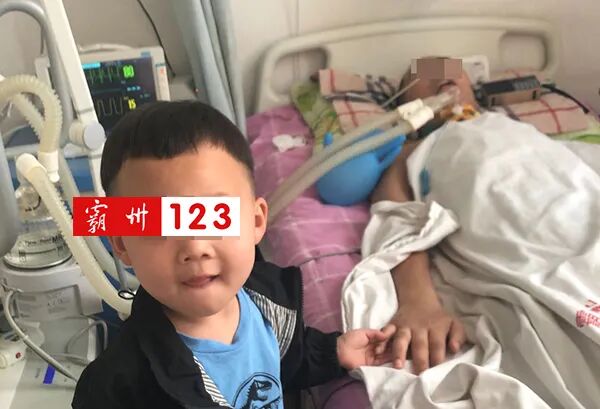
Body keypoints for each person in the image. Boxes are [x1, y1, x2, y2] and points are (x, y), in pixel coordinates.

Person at [72, 101, 396, 409]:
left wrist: (333, 351)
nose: (196, 247)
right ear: (122, 244)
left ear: (255, 222)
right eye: (160, 225)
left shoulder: (269, 305)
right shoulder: (118, 386)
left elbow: (287, 358)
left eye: (217, 218)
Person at [369, 68, 478, 374]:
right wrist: (418, 300)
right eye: (427, 71)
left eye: (455, 68)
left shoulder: (518, 130)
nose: (444, 74)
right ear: (407, 103)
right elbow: (396, 213)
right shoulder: (414, 149)